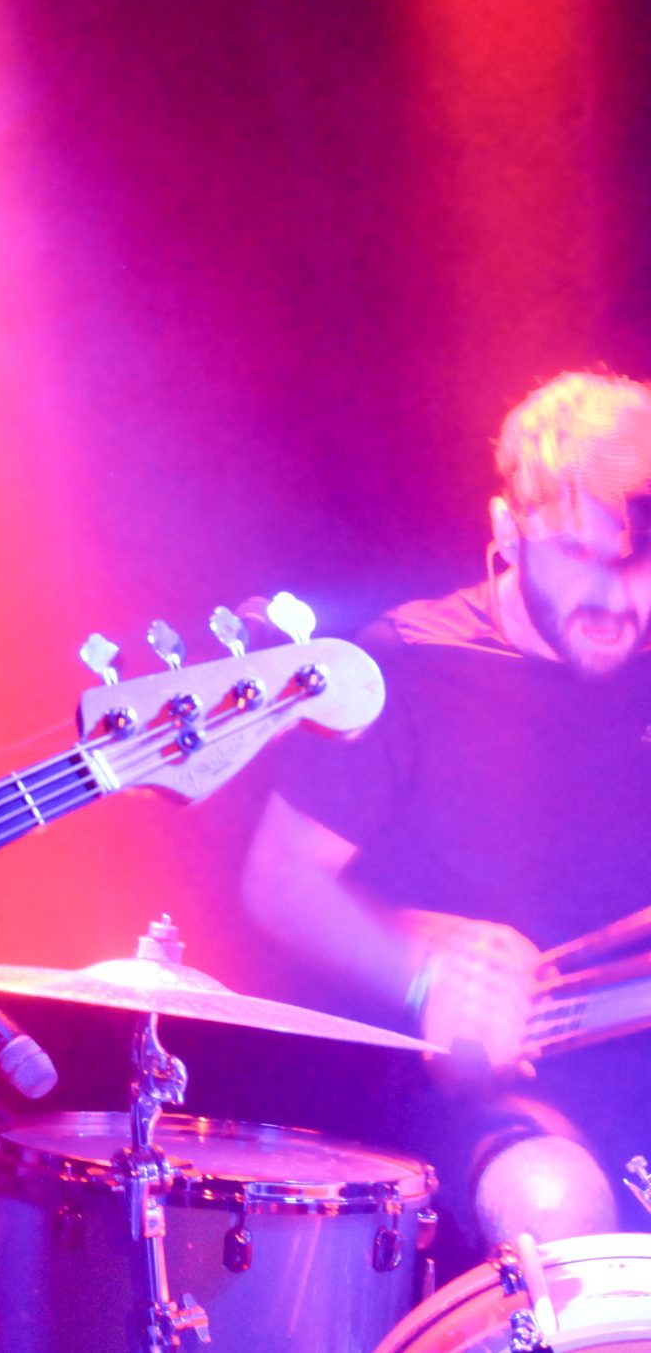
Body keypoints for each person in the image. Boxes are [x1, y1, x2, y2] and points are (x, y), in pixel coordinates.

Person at [241, 369, 651, 1254]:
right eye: (577, 555)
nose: (614, 597)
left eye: (637, 562)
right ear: (508, 532)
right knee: (554, 1202)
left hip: (637, 1073)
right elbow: (279, 880)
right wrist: (425, 968)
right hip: (469, 1094)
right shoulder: (411, 662)